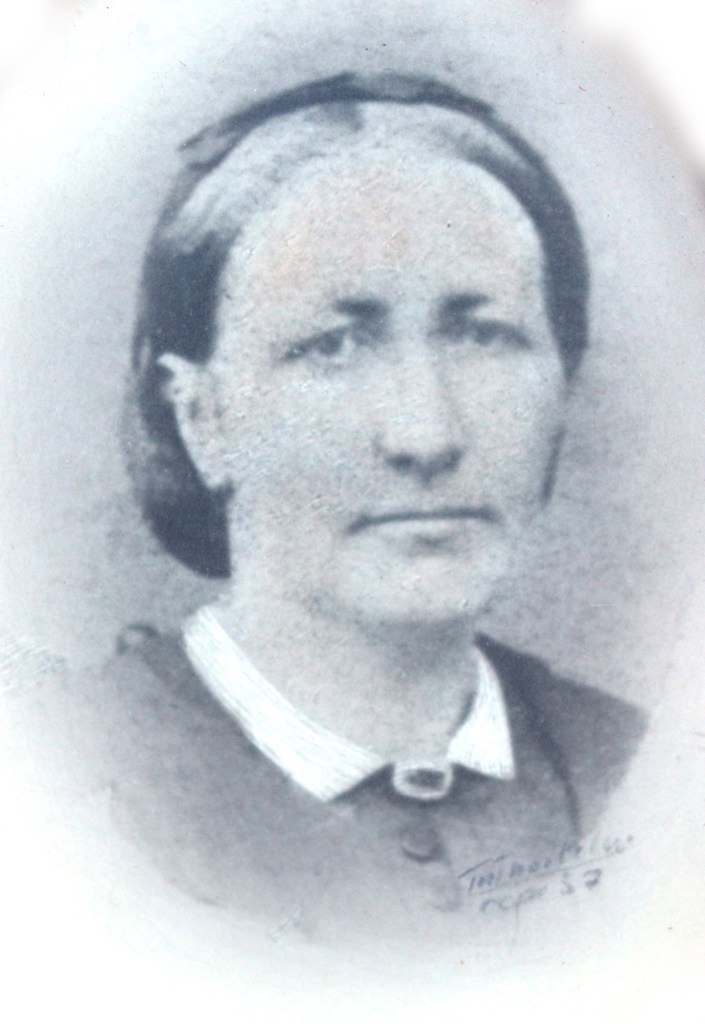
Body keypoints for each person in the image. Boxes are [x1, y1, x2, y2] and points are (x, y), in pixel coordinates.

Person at [107, 72, 645, 938]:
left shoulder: (644, 775)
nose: (425, 435)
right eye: (334, 347)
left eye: (483, 334)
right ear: (201, 417)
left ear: (561, 384)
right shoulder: (69, 790)